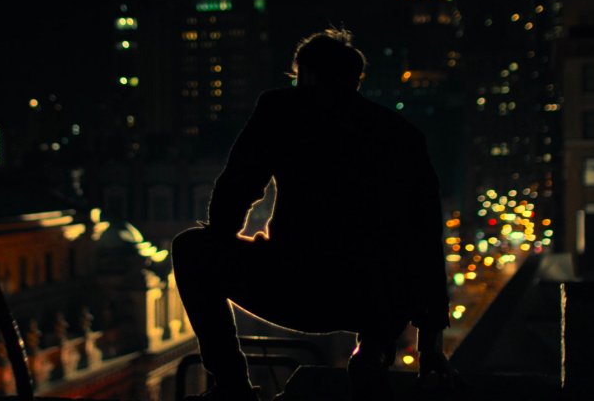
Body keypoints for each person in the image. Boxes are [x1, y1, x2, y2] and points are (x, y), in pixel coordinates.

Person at [171, 28, 458, 401]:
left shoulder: (282, 109)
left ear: (303, 74)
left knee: (191, 249)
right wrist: (431, 343)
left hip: (295, 285)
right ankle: (371, 354)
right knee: (393, 268)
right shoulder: (400, 133)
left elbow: (237, 187)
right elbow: (425, 240)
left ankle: (231, 385)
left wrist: (222, 238)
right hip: (371, 301)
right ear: (357, 80)